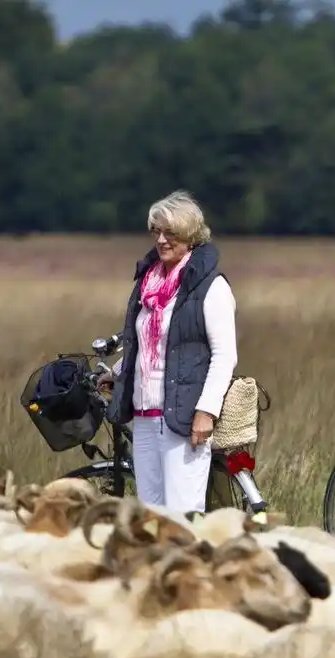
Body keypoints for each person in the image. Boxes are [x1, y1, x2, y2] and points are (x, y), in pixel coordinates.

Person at [101, 190, 238, 513]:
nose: (161, 240)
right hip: (144, 415)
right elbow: (148, 344)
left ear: (190, 236)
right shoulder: (148, 283)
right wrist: (117, 374)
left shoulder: (211, 286)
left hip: (182, 416)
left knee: (182, 515)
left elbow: (224, 355)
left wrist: (206, 412)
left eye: (170, 233)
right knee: (151, 516)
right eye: (156, 232)